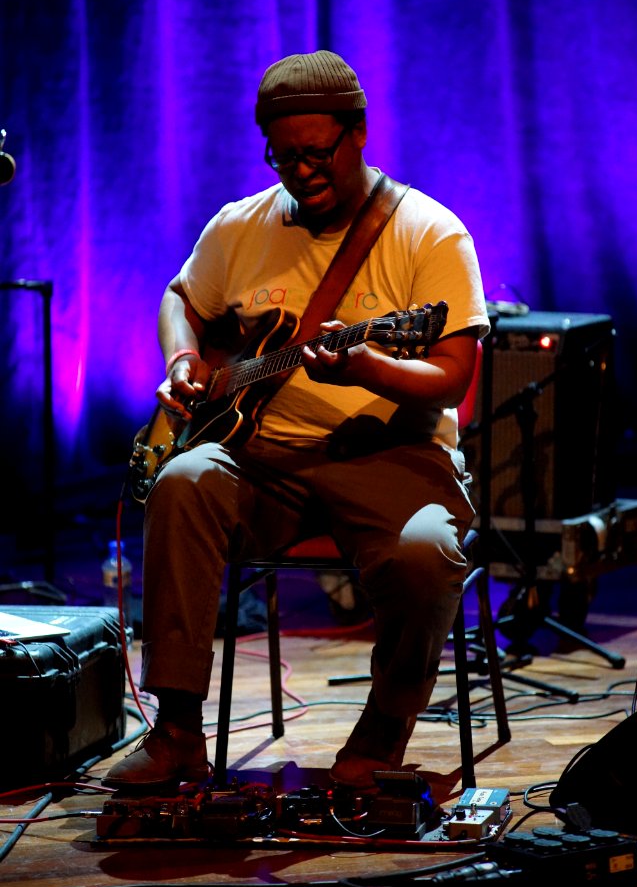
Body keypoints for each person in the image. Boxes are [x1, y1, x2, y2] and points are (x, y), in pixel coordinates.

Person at [104, 50, 489, 792]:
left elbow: (451, 375)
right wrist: (184, 361)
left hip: (391, 456)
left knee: (426, 552)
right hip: (262, 459)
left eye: (316, 154)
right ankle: (178, 730)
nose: (301, 172)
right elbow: (180, 298)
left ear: (360, 134)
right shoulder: (240, 225)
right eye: (284, 158)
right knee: (183, 481)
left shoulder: (429, 233)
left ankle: (379, 738)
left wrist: (366, 365)